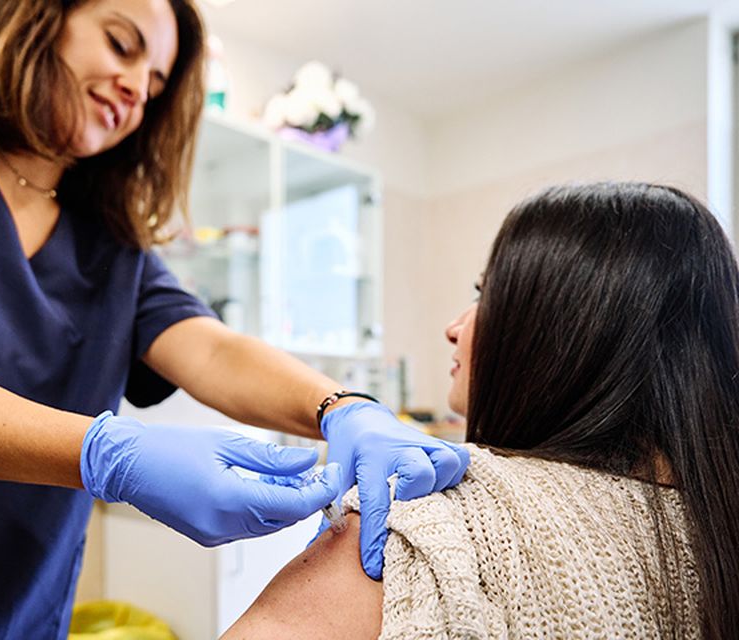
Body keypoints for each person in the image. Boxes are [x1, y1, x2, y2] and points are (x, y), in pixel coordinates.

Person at [0, 0, 471, 637]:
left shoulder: (109, 242)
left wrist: (341, 406)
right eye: (121, 45)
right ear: (38, 16)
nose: (133, 89)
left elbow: (210, 348)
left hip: (17, 609)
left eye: (153, 85)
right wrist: (108, 454)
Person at [222, 182, 739, 639]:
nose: (455, 326)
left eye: (484, 293)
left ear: (562, 329)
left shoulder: (427, 524)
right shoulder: (716, 529)